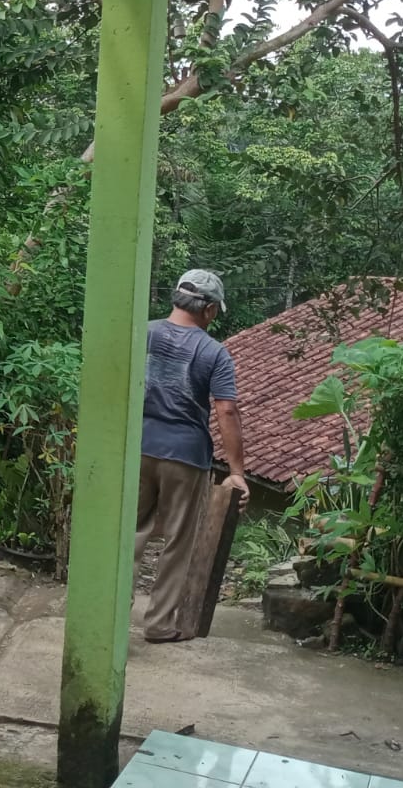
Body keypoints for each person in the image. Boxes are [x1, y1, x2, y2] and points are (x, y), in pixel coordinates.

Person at [135, 270, 248, 644]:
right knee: (178, 541)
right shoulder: (214, 352)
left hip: (137, 446)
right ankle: (158, 624)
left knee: (128, 534)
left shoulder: (143, 333)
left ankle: (111, 614)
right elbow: (226, 409)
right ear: (210, 309)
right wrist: (236, 471)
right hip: (185, 455)